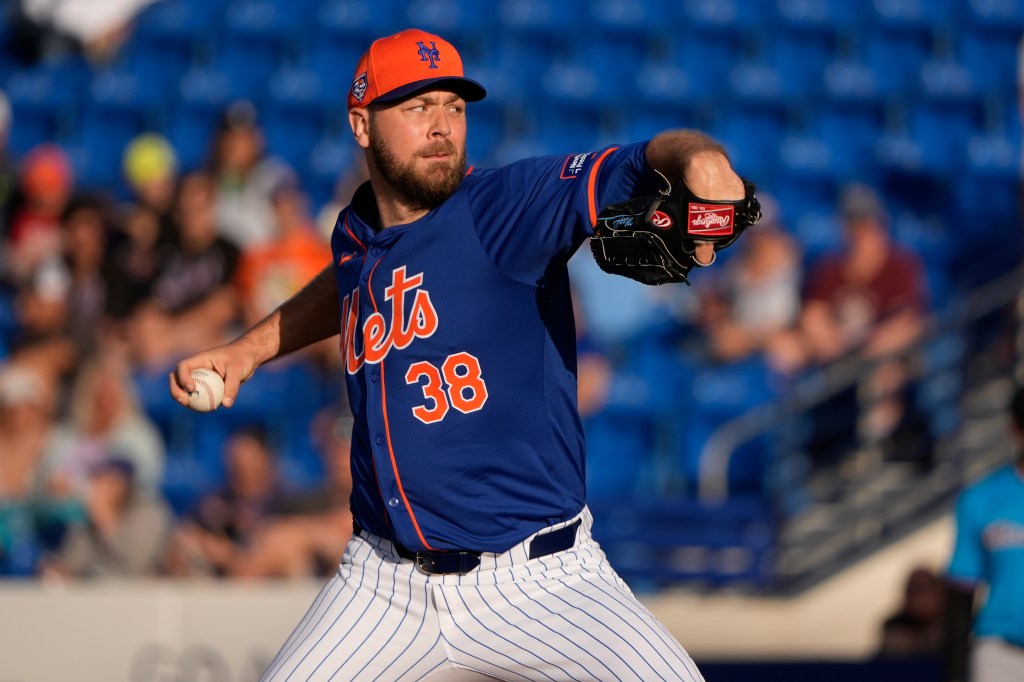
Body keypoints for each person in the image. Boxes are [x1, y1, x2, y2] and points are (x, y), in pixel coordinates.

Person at [169, 28, 746, 681]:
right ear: (362, 124)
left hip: (541, 581)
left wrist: (697, 160)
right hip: (383, 586)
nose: (442, 125)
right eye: (417, 107)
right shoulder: (357, 231)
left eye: (454, 105)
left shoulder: (504, 208)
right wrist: (248, 352)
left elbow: (635, 162)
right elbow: (350, 283)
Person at [943, 384, 1024, 682]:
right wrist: (953, 673)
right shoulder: (982, 498)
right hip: (1001, 653)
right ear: (1015, 429)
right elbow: (961, 592)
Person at [877, 566, 946, 659]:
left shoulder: (953, 625)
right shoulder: (893, 627)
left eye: (923, 588)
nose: (918, 597)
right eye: (913, 589)